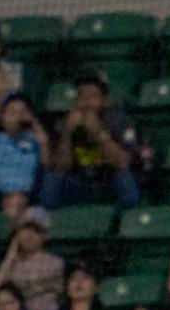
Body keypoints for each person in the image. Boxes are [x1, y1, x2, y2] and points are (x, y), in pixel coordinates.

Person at [44, 72, 141, 211]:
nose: (86, 101)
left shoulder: (119, 121)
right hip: (79, 183)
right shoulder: (65, 123)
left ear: (105, 100)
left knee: (125, 180)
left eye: (93, 96)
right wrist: (67, 134)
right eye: (81, 96)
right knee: (51, 180)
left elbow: (123, 163)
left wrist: (98, 133)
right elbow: (60, 167)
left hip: (109, 181)